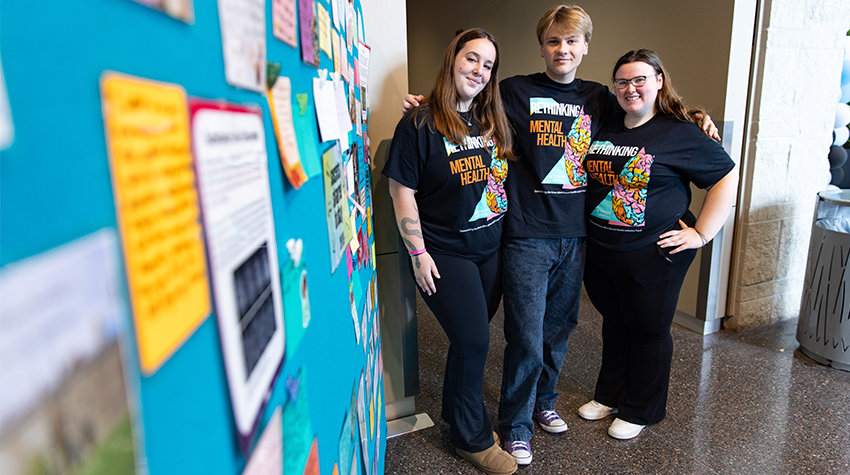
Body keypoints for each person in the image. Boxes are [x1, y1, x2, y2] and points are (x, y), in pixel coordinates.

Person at [402, 6, 717, 466]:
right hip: (527, 233)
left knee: (560, 329)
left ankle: (543, 400)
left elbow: (643, 112)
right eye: (553, 41)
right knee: (525, 336)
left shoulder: (599, 98)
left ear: (585, 47)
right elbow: (470, 109)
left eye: (572, 42)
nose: (562, 49)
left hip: (579, 235)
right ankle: (516, 424)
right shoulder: (513, 91)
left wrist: (695, 117)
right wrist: (425, 106)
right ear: (543, 47)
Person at [578, 48, 738, 440]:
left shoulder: (680, 132)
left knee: (649, 330)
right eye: (622, 81)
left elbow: (725, 177)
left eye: (640, 80)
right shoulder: (606, 121)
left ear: (659, 81)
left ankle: (641, 408)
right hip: (602, 250)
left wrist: (701, 233)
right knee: (615, 324)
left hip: (656, 252)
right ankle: (610, 395)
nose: (630, 88)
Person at [382, 28, 517, 475]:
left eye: (487, 65)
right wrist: (418, 254)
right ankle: (471, 439)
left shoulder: (488, 117)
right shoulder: (418, 123)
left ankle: (459, 415)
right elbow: (401, 192)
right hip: (445, 252)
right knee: (476, 341)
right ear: (452, 59)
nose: (478, 71)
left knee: (467, 341)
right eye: (471, 59)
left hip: (489, 248)